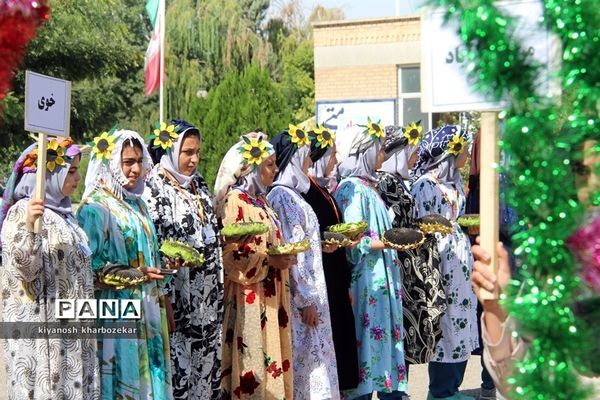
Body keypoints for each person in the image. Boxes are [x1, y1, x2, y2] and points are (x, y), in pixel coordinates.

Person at [77, 129, 173, 400]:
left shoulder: (138, 204)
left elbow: (147, 253)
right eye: (127, 161)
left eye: (139, 161)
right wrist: (133, 274)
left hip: (148, 308)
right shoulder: (94, 208)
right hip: (116, 312)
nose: (135, 169)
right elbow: (88, 269)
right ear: (110, 163)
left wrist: (162, 268)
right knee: (125, 379)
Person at [0, 138, 99, 400]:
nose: (77, 177)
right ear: (50, 173)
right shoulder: (23, 212)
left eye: (78, 169)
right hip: (44, 342)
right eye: (72, 170)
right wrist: (31, 228)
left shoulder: (66, 215)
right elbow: (24, 269)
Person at [144, 119, 224, 400]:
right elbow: (153, 246)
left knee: (205, 364)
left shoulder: (198, 184)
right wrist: (164, 298)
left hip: (207, 297)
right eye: (187, 152)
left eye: (197, 152)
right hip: (178, 298)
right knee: (180, 368)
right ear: (170, 150)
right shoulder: (153, 188)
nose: (194, 159)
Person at [214, 132, 295, 400]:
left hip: (270, 295)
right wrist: (270, 260)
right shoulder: (236, 200)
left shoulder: (260, 199)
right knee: (252, 362)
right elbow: (230, 253)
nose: (275, 169)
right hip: (250, 298)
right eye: (269, 164)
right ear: (250, 167)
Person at [333, 121, 408, 400]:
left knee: (382, 344)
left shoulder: (369, 186)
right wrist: (387, 242)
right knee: (366, 344)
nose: (382, 156)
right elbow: (352, 244)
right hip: (366, 282)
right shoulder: (350, 188)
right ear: (362, 152)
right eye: (377, 150)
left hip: (381, 279)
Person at [267, 128, 340, 399]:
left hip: (313, 295)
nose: (309, 161)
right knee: (308, 364)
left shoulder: (292, 195)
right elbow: (293, 252)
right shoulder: (282, 197)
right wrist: (306, 298)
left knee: (316, 359)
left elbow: (305, 245)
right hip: (303, 301)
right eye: (305, 156)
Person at [410, 125, 479, 400]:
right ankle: (440, 390)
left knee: (462, 320)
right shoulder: (424, 184)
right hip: (440, 263)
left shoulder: (454, 183)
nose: (467, 154)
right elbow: (420, 224)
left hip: (460, 263)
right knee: (446, 324)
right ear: (450, 153)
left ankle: (452, 387)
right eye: (463, 149)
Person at [376, 124, 447, 366]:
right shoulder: (386, 182)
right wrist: (417, 231)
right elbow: (394, 224)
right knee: (404, 325)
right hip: (401, 261)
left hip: (410, 259)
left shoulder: (398, 181)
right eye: (411, 152)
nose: (416, 157)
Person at [301, 126, 359, 392]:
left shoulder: (322, 189)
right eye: (332, 155)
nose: (335, 161)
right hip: (322, 273)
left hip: (335, 272)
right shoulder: (306, 193)